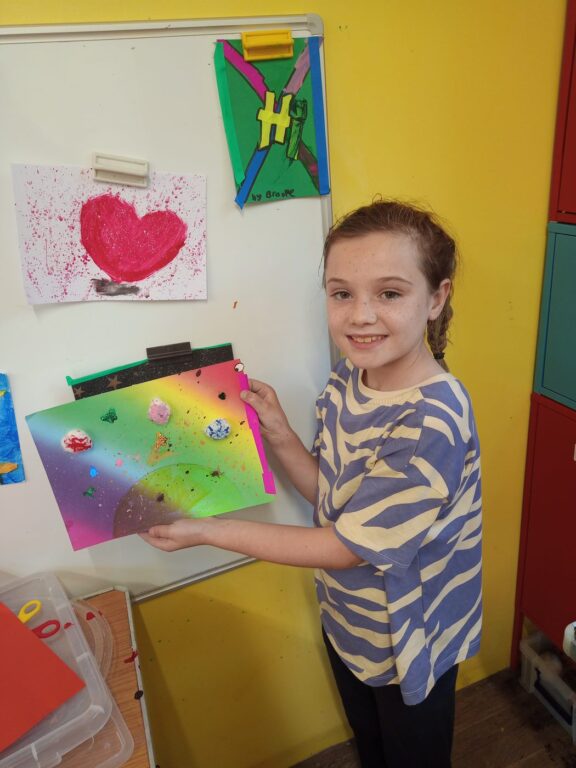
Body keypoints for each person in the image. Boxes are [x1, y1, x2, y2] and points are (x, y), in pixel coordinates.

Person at [140, 199, 482, 768]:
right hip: (352, 621)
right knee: (371, 746)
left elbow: (343, 547)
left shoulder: (430, 422)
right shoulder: (352, 377)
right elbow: (333, 499)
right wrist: (279, 435)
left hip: (412, 640)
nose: (360, 315)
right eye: (341, 292)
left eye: (390, 294)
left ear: (436, 298)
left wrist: (207, 531)